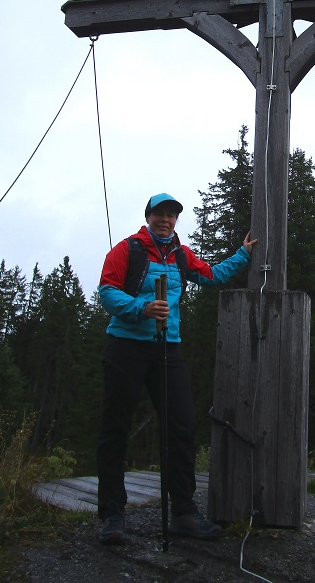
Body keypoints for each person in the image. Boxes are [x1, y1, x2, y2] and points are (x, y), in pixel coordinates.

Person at [96, 192, 256, 545]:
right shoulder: (128, 250)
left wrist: (243, 253)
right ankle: (112, 515)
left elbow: (211, 276)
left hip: (167, 349)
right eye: (159, 214)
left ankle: (183, 513)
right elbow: (106, 292)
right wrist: (142, 309)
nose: (165, 220)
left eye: (171, 215)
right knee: (115, 429)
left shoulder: (181, 255)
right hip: (126, 346)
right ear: (148, 216)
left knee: (181, 426)